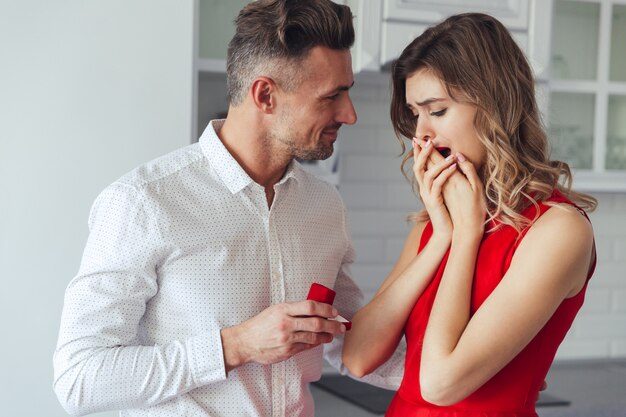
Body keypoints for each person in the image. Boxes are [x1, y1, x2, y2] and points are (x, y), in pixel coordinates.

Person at [53, 1, 403, 416]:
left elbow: (352, 345)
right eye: (332, 96)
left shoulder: (324, 207)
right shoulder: (144, 202)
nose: (350, 114)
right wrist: (236, 345)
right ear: (265, 94)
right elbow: (79, 378)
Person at [342, 12, 597, 417]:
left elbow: (442, 384)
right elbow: (356, 357)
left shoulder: (558, 230)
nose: (420, 133)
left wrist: (465, 236)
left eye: (437, 110)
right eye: (415, 114)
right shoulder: (436, 224)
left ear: (494, 105)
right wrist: (445, 234)